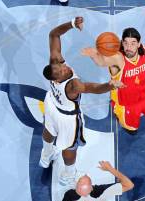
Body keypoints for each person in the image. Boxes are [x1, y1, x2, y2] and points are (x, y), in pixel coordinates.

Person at [41, 18, 123, 185]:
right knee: (70, 146)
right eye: (62, 72)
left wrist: (71, 24)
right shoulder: (73, 85)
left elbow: (54, 34)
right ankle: (68, 175)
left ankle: (46, 154)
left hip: (51, 104)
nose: (65, 68)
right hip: (67, 118)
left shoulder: (55, 62)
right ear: (57, 80)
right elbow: (92, 87)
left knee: (49, 129)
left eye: (62, 66)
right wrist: (109, 85)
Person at [81, 27, 145, 135]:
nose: (129, 47)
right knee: (132, 130)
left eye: (133, 43)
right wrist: (93, 55)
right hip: (126, 104)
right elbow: (101, 62)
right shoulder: (118, 58)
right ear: (122, 43)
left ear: (139, 44)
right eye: (126, 43)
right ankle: (119, 115)